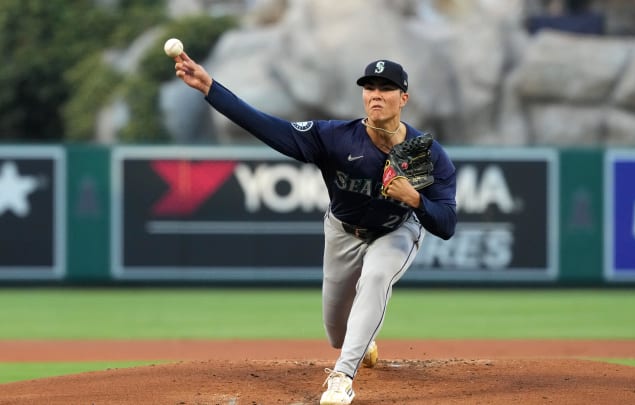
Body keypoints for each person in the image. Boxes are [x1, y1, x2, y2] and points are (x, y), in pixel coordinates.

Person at [172, 53, 457, 404]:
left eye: (387, 88)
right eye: (369, 88)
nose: (376, 94)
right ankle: (360, 341)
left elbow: (446, 224)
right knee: (337, 333)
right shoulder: (335, 138)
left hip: (395, 230)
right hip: (342, 231)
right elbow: (267, 127)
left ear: (404, 98)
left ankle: (342, 377)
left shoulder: (425, 155)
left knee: (376, 276)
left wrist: (415, 200)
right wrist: (210, 88)